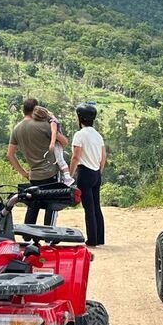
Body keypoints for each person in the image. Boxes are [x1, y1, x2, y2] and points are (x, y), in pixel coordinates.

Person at [7, 98, 63, 224]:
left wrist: (24, 173)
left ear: (23, 111)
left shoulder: (17, 128)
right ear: (36, 109)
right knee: (51, 206)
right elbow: (64, 142)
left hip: (33, 175)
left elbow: (10, 155)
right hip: (50, 173)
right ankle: (49, 236)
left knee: (33, 206)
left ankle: (27, 236)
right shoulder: (44, 125)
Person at [68, 102, 106, 247]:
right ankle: (100, 237)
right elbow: (103, 157)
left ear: (80, 118)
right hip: (96, 172)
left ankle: (92, 239)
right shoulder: (98, 135)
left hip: (84, 172)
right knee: (96, 206)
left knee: (88, 208)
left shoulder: (79, 135)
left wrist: (70, 175)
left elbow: (76, 157)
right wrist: (99, 170)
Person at [34, 105, 73, 185]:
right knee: (57, 161)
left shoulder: (52, 121)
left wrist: (52, 143)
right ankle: (64, 177)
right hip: (55, 143)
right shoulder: (50, 121)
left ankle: (67, 177)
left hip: (56, 143)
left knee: (60, 160)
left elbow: (54, 133)